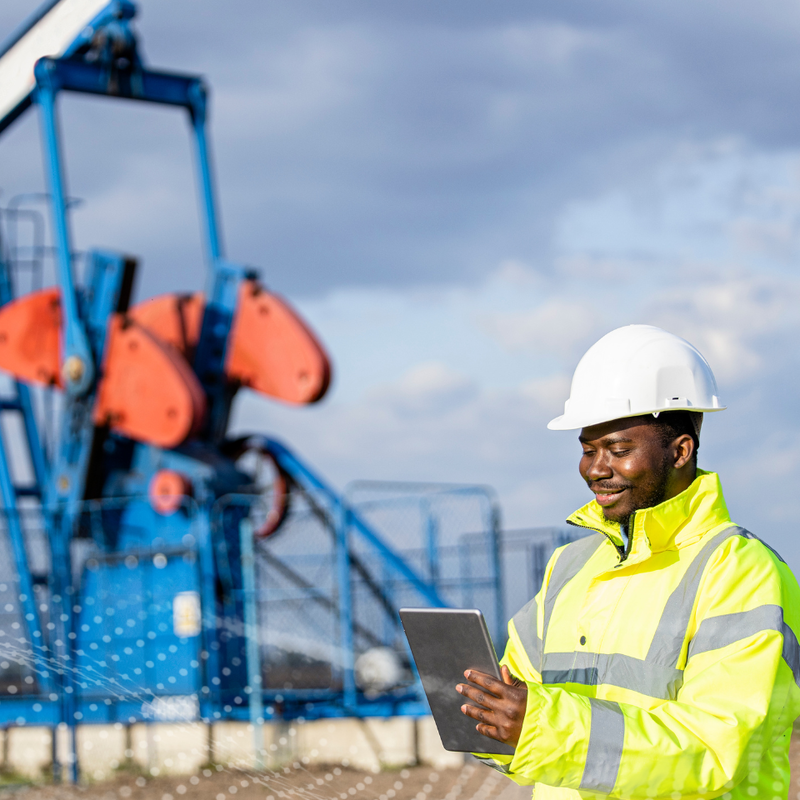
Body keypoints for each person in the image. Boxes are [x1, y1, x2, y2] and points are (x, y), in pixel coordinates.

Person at [456, 324, 800, 799]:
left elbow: (716, 749)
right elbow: (518, 714)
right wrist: (487, 719)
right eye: (587, 449)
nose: (596, 468)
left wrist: (538, 727)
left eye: (618, 450)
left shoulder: (739, 569)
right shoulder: (570, 567)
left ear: (681, 451)